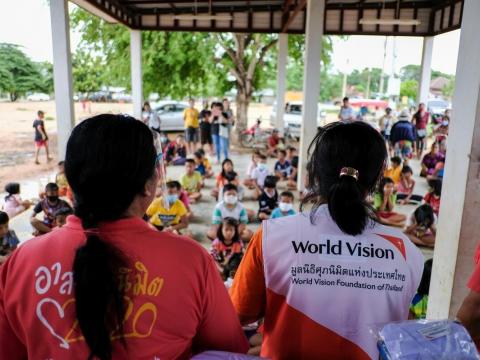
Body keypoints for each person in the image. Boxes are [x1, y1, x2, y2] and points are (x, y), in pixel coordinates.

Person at [0, 114, 248, 359]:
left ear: (72, 184)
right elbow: (228, 351)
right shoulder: (191, 260)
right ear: (148, 184)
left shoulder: (20, 262)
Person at [230, 122, 423, 359]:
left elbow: (239, 313)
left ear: (315, 173)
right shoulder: (408, 253)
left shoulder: (272, 236)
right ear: (376, 180)